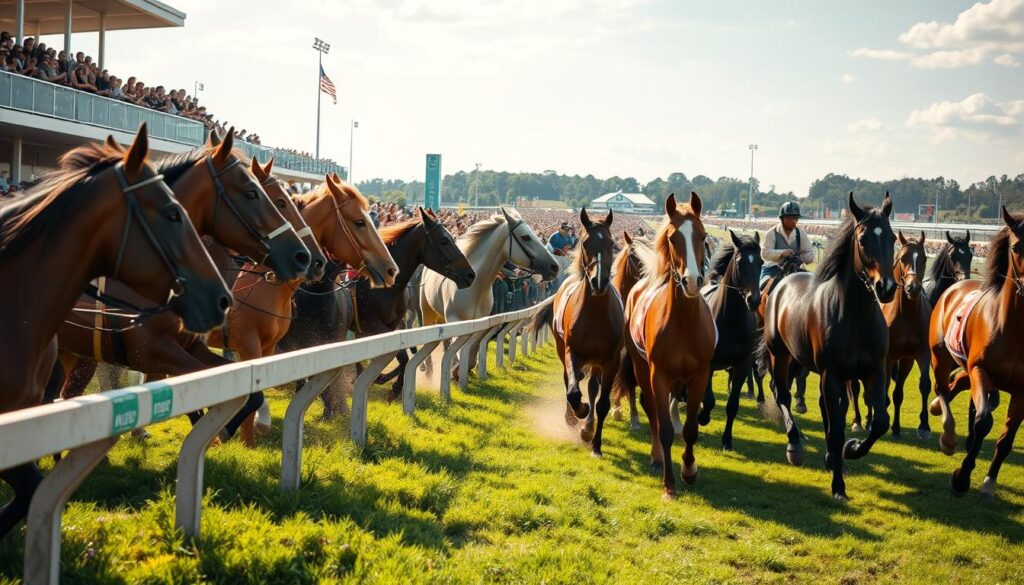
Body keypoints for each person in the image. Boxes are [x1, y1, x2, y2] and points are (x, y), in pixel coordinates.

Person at [759, 201, 813, 288]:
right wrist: (782, 253)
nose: (793, 221)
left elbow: (810, 255)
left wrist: (799, 257)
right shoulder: (771, 233)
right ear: (782, 219)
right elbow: (764, 253)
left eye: (795, 218)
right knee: (760, 294)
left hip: (794, 269)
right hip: (772, 269)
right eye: (789, 219)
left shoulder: (801, 234)